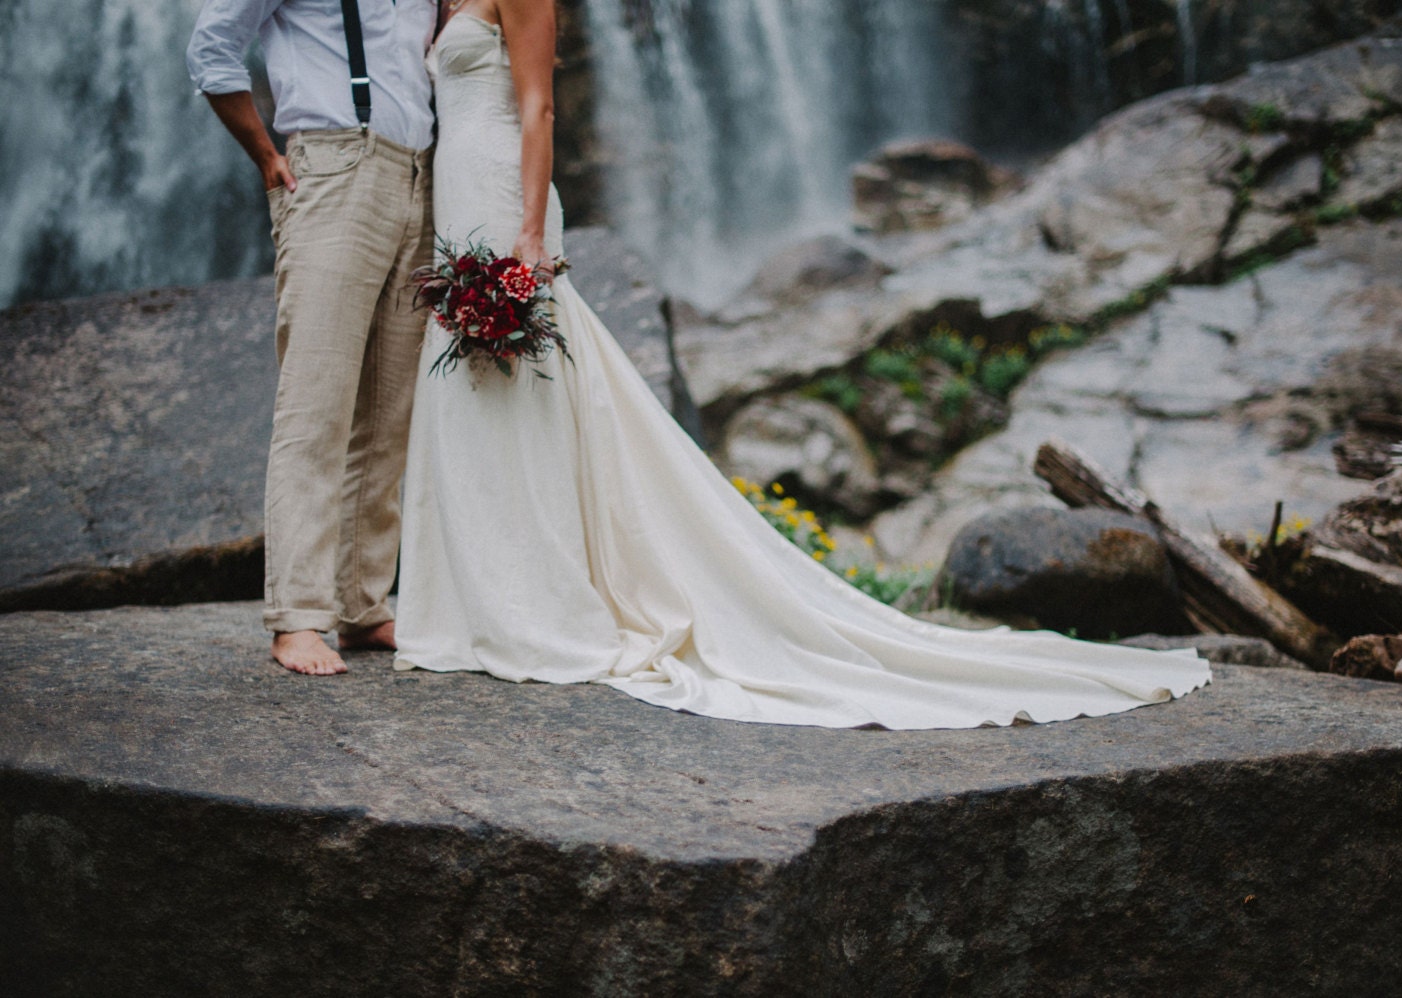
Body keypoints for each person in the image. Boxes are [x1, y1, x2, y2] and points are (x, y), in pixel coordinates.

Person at [394, 0, 1211, 728]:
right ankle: (478, 598)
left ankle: (541, 598)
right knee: (471, 389)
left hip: (506, 201)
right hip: (456, 205)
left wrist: (530, 239)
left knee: (528, 390)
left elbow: (537, 111)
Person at [188, 0, 438, 676]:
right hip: (332, 168)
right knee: (316, 406)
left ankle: (363, 607)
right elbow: (211, 48)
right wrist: (267, 156)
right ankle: (296, 618)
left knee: (389, 413)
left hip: (421, 174)